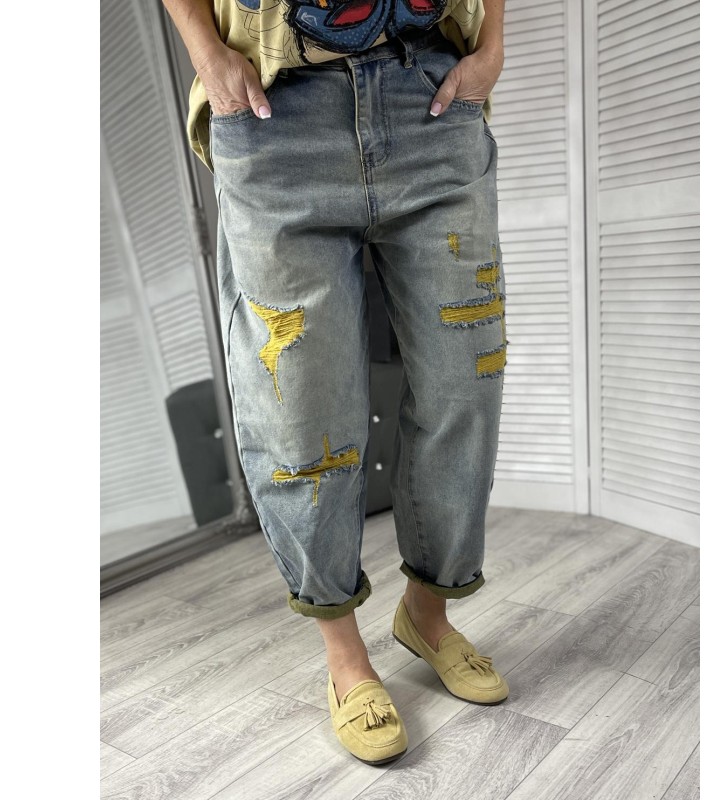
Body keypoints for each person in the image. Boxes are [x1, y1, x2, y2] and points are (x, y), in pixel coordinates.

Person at [163, 0, 508, 765]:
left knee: (466, 387)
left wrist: (493, 44)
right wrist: (206, 53)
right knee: (302, 412)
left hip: (431, 98)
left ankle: (428, 615)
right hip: (276, 113)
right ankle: (345, 654)